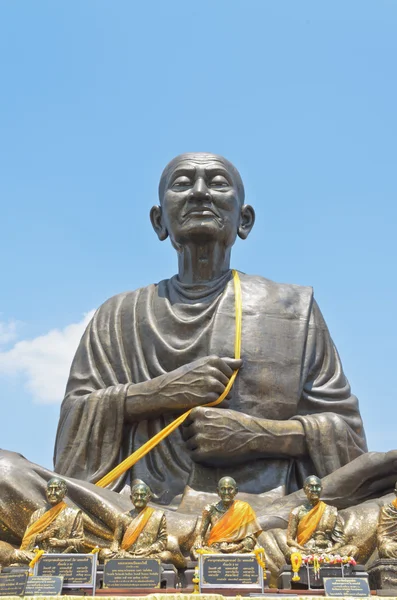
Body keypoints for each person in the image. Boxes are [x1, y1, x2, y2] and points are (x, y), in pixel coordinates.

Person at [0, 153, 395, 579]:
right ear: (158, 221)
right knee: (4, 474)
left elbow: (346, 437)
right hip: (139, 510)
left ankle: (224, 535)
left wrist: (261, 436)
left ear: (244, 220)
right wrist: (154, 394)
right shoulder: (118, 315)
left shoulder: (291, 308)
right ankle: (209, 539)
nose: (201, 192)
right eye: (183, 182)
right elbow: (75, 450)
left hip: (276, 508)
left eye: (218, 182)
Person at [14, 477, 84, 564]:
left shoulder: (73, 514)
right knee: (16, 554)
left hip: (61, 557)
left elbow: (81, 543)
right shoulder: (37, 514)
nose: (53, 493)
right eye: (50, 490)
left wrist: (60, 543)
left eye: (57, 489)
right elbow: (26, 541)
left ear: (64, 492)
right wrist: (43, 535)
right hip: (38, 556)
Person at [286, 475, 358, 558]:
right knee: (291, 552)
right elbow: (290, 539)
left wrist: (333, 549)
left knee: (353, 550)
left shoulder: (330, 511)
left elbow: (340, 539)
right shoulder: (296, 512)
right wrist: (302, 548)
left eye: (317, 487)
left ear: (321, 489)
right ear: (305, 490)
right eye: (311, 487)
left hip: (328, 552)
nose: (314, 490)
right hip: (306, 551)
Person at [192, 476, 261, 558]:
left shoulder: (244, 508)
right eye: (223, 489)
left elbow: (251, 538)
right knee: (196, 549)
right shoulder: (210, 509)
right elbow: (200, 535)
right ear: (218, 491)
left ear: (236, 491)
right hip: (215, 549)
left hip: (237, 549)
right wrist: (199, 539)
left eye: (230, 489)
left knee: (257, 552)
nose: (226, 492)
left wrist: (237, 547)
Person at [100, 481, 168, 561]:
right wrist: (116, 549)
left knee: (166, 556)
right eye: (136, 495)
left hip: (148, 554)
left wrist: (149, 550)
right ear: (131, 498)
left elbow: (163, 540)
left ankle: (134, 559)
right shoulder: (123, 517)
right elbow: (116, 542)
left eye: (142, 495)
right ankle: (133, 558)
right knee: (103, 553)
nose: (139, 498)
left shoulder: (158, 516)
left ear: (149, 498)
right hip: (127, 553)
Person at [377, 481, 397, 559]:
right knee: (386, 549)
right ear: (395, 493)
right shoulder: (387, 510)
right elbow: (383, 536)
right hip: (394, 546)